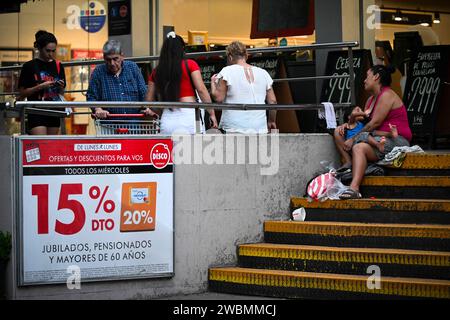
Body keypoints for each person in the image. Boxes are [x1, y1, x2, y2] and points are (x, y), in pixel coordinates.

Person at [334, 64, 412, 199]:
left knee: (358, 145)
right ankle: (349, 167)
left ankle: (354, 188)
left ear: (376, 77)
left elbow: (373, 124)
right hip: (377, 139)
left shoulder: (387, 95)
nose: (364, 80)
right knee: (346, 136)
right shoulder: (370, 100)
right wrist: (346, 125)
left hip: (396, 139)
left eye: (367, 77)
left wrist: (353, 138)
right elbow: (363, 124)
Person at [144, 32, 218, 134]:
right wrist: (212, 113)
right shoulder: (191, 65)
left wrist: (162, 112)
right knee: (193, 149)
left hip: (167, 120)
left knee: (170, 150)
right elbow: (201, 90)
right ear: (182, 48)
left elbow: (148, 101)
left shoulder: (157, 71)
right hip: (189, 118)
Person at [210, 41, 277, 134]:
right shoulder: (263, 72)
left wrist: (213, 83)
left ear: (230, 57)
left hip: (233, 128)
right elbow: (273, 101)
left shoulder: (227, 71)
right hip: (259, 128)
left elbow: (218, 98)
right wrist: (271, 121)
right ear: (246, 55)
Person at [18, 30, 66, 135]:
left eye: (53, 51)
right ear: (39, 48)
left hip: (54, 110)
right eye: (48, 50)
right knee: (40, 144)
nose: (51, 54)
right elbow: (22, 93)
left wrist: (60, 86)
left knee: (50, 146)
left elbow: (61, 93)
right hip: (35, 111)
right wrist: (40, 87)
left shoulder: (58, 65)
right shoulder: (29, 66)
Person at [87, 40, 147, 118]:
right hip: (109, 122)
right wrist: (98, 109)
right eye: (108, 60)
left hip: (133, 120)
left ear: (122, 56)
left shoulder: (132, 68)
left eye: (115, 59)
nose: (112, 63)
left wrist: (147, 107)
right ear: (104, 58)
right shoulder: (98, 72)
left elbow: (143, 92)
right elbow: (91, 96)